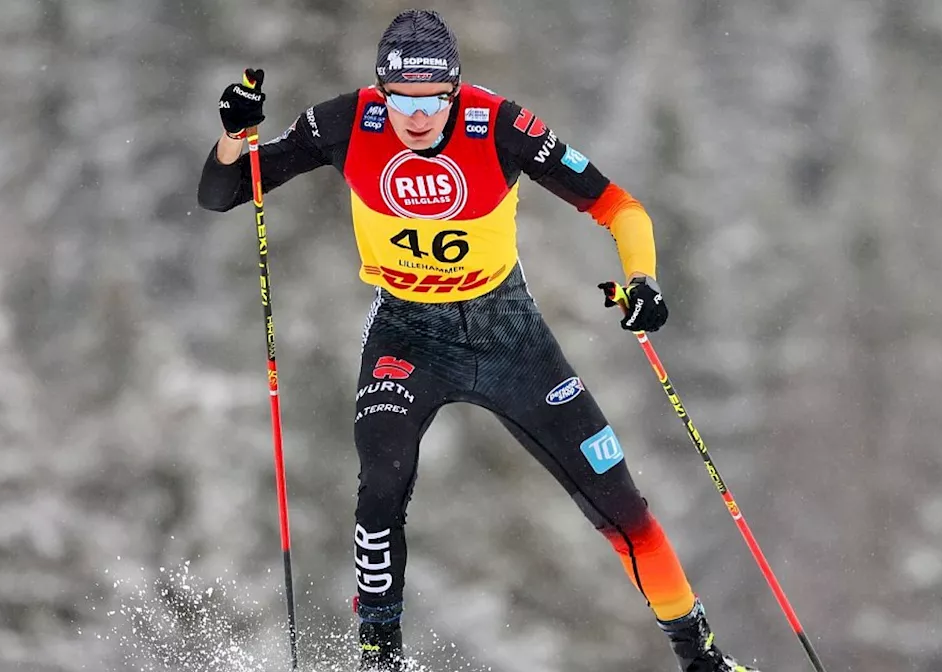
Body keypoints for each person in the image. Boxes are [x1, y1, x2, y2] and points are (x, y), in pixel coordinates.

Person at [198, 10, 757, 672]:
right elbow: (225, 191)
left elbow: (619, 207)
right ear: (382, 91)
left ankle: (703, 658)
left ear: (454, 91)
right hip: (407, 330)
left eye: (432, 97)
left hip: (506, 331)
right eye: (401, 97)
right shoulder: (346, 122)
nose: (416, 115)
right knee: (381, 480)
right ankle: (380, 657)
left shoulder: (500, 126)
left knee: (621, 507)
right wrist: (235, 136)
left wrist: (643, 281)